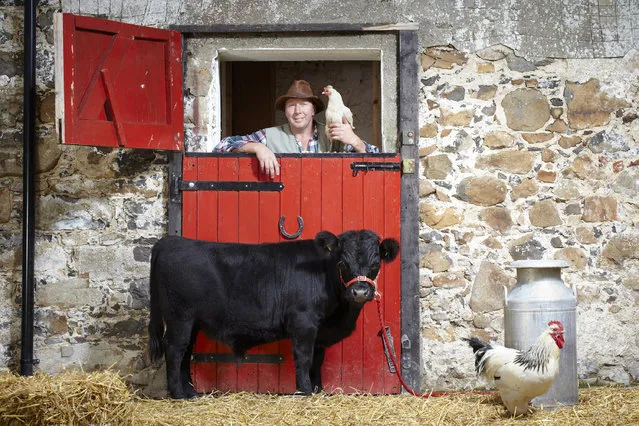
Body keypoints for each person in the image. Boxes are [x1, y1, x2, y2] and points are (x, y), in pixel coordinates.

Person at [213, 80, 379, 178]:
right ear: (285, 112)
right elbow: (222, 146)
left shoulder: (333, 132)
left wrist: (356, 142)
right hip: (284, 210)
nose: (298, 111)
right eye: (292, 106)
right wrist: (257, 147)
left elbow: (378, 163)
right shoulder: (269, 135)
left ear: (313, 110)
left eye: (304, 105)